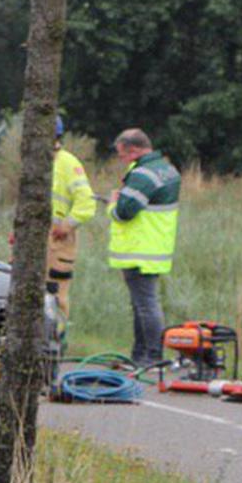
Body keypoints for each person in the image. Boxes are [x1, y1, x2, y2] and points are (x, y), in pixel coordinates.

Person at [106, 127, 180, 365]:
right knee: (142, 303)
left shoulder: (143, 174)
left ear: (133, 150)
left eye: (122, 155)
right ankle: (140, 355)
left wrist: (111, 205)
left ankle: (152, 357)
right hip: (155, 247)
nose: (121, 159)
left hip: (139, 248)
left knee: (146, 305)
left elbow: (124, 211)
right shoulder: (166, 169)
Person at [47, 117, 96, 323]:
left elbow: (86, 202)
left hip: (57, 241)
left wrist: (66, 226)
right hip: (34, 239)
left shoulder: (68, 163)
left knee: (56, 295)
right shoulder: (34, 162)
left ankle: (56, 343)